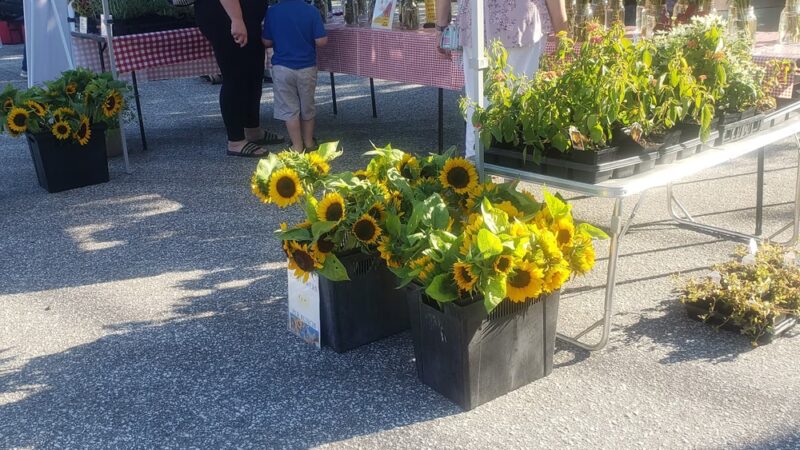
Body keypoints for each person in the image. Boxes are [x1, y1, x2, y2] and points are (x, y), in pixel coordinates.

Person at [436, 0, 567, 159]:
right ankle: (512, 172)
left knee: (477, 102)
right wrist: (562, 32)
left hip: (478, 23)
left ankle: (475, 166)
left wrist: (441, 27)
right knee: (519, 100)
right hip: (520, 22)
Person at [195, 0, 283, 157]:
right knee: (235, 75)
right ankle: (236, 141)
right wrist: (236, 19)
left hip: (246, 18)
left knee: (254, 73)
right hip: (226, 17)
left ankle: (253, 130)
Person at [262, 0, 327, 152]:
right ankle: (309, 142)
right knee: (307, 106)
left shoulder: (272, 12)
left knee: (288, 109)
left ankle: (297, 146)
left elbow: (266, 41)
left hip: (282, 68)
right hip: (307, 67)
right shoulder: (311, 11)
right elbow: (321, 41)